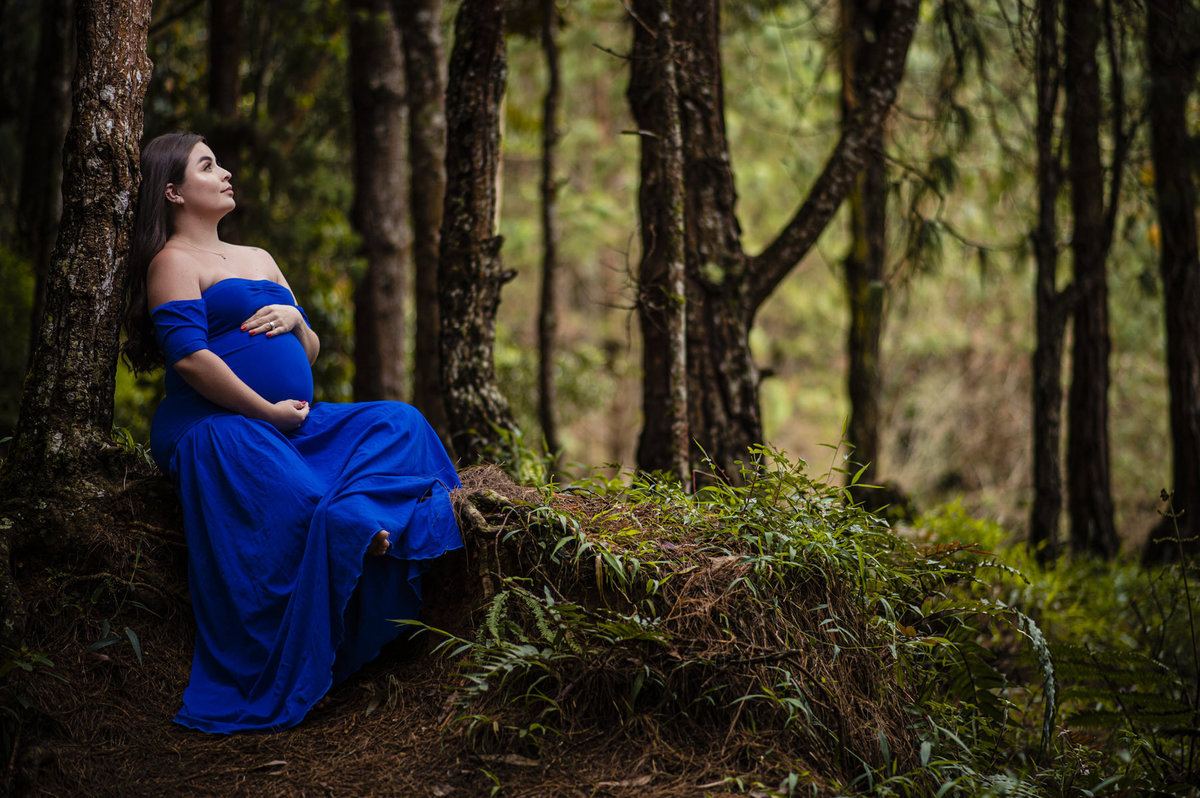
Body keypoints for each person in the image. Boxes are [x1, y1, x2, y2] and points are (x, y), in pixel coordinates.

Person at [122, 132, 463, 734]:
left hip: (291, 423)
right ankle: (352, 533)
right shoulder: (172, 262)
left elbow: (310, 346)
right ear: (173, 191)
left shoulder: (259, 257)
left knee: (399, 421)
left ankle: (363, 525)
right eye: (208, 165)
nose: (225, 171)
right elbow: (190, 361)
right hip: (219, 424)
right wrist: (268, 413)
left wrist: (296, 318)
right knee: (271, 468)